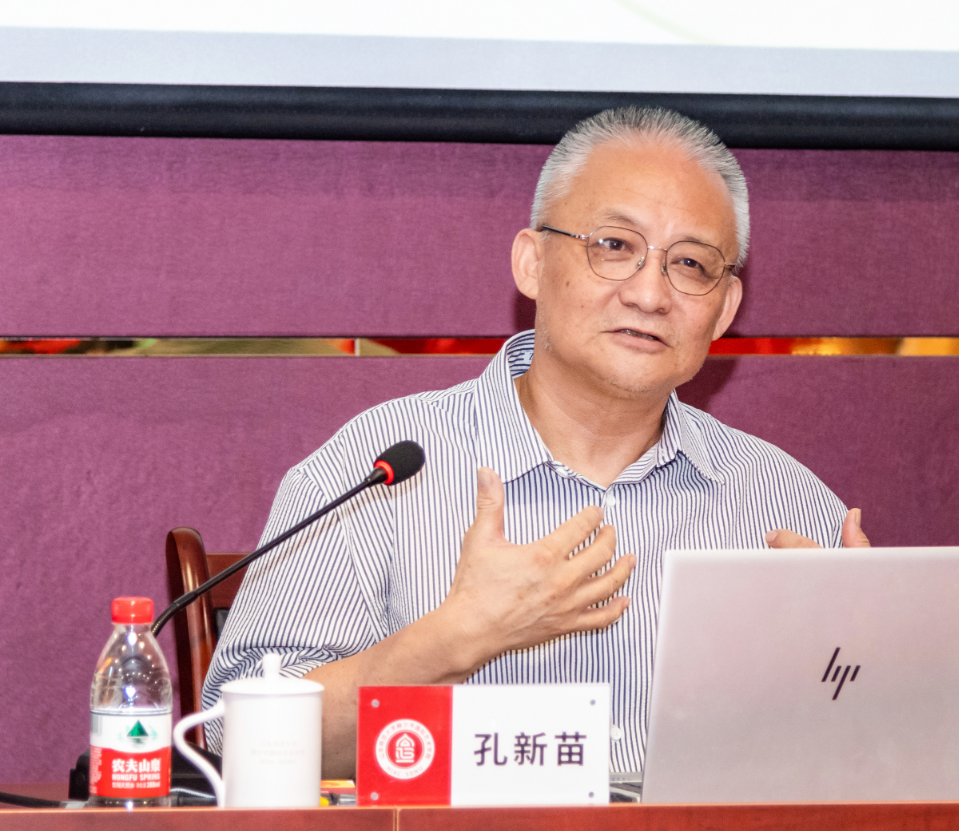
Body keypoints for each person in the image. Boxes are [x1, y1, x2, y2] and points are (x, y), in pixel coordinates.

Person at [203, 106, 869, 778]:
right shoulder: (379, 473)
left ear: (723, 310)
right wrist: (453, 639)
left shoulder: (787, 506)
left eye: (691, 263)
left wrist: (856, 666)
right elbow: (237, 738)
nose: (649, 294)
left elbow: (873, 756)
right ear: (532, 262)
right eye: (614, 246)